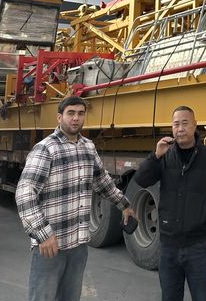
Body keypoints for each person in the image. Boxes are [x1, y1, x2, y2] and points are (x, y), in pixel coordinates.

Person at [15, 96, 136, 301]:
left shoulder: (88, 147)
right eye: (70, 113)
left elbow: (102, 182)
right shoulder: (46, 149)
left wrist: (124, 205)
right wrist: (43, 234)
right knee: (43, 297)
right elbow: (25, 193)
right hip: (51, 245)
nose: (76, 118)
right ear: (59, 117)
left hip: (78, 244)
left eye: (80, 113)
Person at [134, 105, 206, 301]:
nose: (180, 129)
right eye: (176, 124)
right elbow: (141, 180)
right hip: (168, 247)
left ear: (195, 125)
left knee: (203, 297)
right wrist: (155, 156)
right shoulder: (165, 156)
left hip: (199, 247)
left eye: (185, 123)